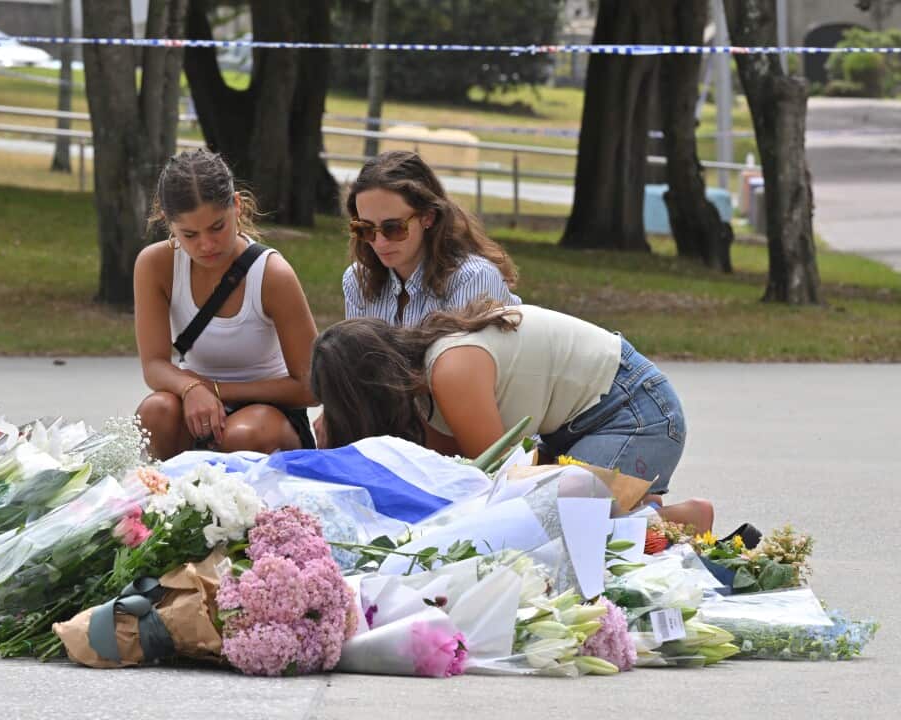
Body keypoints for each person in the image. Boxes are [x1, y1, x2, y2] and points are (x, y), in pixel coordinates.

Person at [308, 300, 713, 531]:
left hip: (635, 413)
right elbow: (446, 463)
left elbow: (496, 480)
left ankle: (676, 518)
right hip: (584, 424)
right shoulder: (428, 380)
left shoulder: (452, 371)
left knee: (559, 527)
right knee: (566, 521)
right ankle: (638, 511)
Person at [133, 149, 318, 461]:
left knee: (239, 436)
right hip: (195, 401)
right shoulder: (154, 264)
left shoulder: (272, 274)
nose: (206, 244)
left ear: (236, 205)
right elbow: (154, 365)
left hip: (271, 413)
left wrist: (214, 390)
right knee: (154, 413)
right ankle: (164, 506)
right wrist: (192, 390)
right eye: (190, 234)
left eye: (217, 227)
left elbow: (312, 387)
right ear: (168, 223)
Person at [342, 150, 521, 326]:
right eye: (365, 229)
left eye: (394, 228)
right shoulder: (357, 280)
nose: (379, 242)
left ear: (428, 217)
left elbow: (462, 356)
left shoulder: (473, 278)